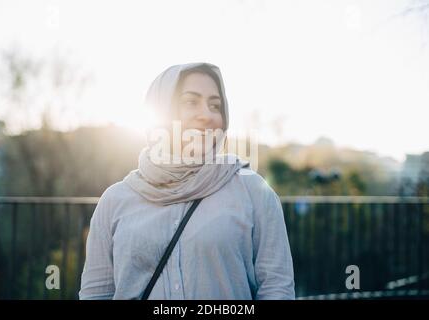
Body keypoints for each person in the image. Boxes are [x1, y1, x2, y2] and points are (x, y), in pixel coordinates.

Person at [79, 62, 295, 300]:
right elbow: (96, 294)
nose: (207, 115)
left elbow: (277, 288)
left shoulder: (254, 192)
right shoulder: (115, 201)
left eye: (216, 105)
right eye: (191, 102)